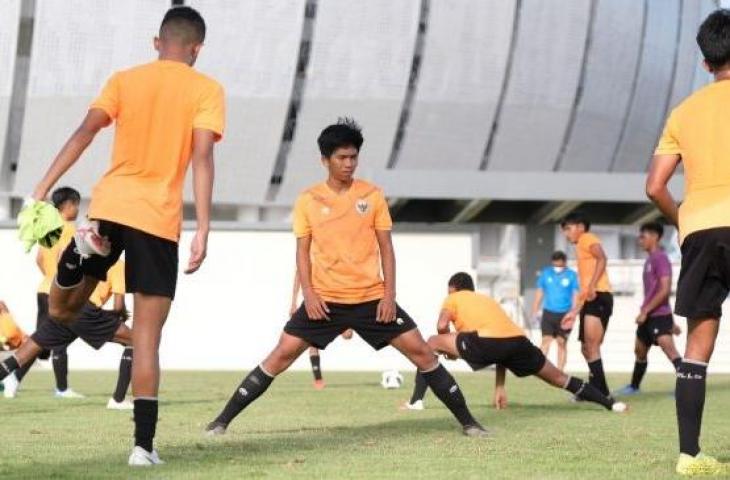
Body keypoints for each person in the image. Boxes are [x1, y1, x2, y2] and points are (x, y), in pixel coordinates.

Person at [26, 6, 224, 466]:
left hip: (109, 208)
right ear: (197, 49)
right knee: (147, 338)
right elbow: (202, 159)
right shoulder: (207, 89)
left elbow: (85, 131)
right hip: (157, 220)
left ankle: (78, 253)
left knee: (59, 309)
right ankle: (142, 447)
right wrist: (204, 227)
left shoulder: (123, 79)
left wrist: (41, 190)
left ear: (157, 42)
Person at [205, 119, 486, 438]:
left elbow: (387, 249)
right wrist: (308, 294)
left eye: (353, 157)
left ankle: (470, 424)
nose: (349, 163)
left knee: (422, 352)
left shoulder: (373, 195)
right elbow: (301, 252)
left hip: (371, 300)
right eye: (342, 157)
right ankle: (221, 422)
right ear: (325, 160)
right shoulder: (308, 200)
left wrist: (389, 295)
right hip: (324, 302)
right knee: (280, 355)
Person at [646, 9, 730, 475]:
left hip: (700, 229)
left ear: (705, 63)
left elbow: (655, 186)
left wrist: (684, 221)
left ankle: (689, 455)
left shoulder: (684, 110)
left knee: (698, 345)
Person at [403, 273, 627, 414]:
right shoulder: (487, 300)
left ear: (453, 288)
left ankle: (416, 402)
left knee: (430, 342)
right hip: (518, 342)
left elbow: (442, 326)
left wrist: (448, 348)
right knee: (560, 378)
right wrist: (500, 387)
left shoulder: (453, 297)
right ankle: (610, 404)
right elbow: (502, 344)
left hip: (483, 342)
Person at [0, 261, 134, 409]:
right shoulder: (119, 265)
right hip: (85, 310)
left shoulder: (88, 256)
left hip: (64, 306)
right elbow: (119, 306)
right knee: (135, 341)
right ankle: (118, 400)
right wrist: (118, 315)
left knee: (20, 356)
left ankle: (17, 379)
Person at [615, 222, 682, 396]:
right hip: (649, 316)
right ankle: (634, 387)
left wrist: (646, 311)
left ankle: (686, 388)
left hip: (658, 315)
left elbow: (665, 289)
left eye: (643, 236)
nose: (640, 239)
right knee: (639, 350)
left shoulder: (660, 258)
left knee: (670, 351)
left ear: (655, 237)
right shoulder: (649, 260)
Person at [35, 187, 84, 399]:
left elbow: (39, 258)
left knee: (41, 342)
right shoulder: (69, 229)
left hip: (43, 288)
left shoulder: (49, 228)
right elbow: (66, 257)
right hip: (57, 292)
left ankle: (13, 378)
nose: (78, 209)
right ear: (68, 205)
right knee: (57, 340)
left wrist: (48, 275)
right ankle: (62, 389)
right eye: (77, 204)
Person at [560, 212, 613, 400]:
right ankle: (597, 390)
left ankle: (603, 393)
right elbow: (585, 288)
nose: (566, 234)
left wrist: (592, 286)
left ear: (580, 226)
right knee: (586, 348)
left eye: (568, 228)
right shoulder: (580, 247)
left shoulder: (586, 238)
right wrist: (574, 312)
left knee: (591, 346)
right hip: (592, 298)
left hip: (599, 296)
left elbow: (602, 258)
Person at [289, 271, 353, 390]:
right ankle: (318, 379)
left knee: (348, 334)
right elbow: (299, 275)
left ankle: (333, 327)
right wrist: (294, 302)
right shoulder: (307, 257)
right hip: (314, 303)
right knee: (312, 343)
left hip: (334, 300)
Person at [531, 251, 579, 371]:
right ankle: (540, 369)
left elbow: (576, 294)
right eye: (555, 264)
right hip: (548, 313)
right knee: (545, 341)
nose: (557, 267)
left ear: (564, 262)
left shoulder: (572, 275)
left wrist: (573, 312)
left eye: (560, 264)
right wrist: (535, 309)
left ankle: (560, 371)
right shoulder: (546, 273)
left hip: (565, 314)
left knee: (561, 342)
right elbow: (540, 291)